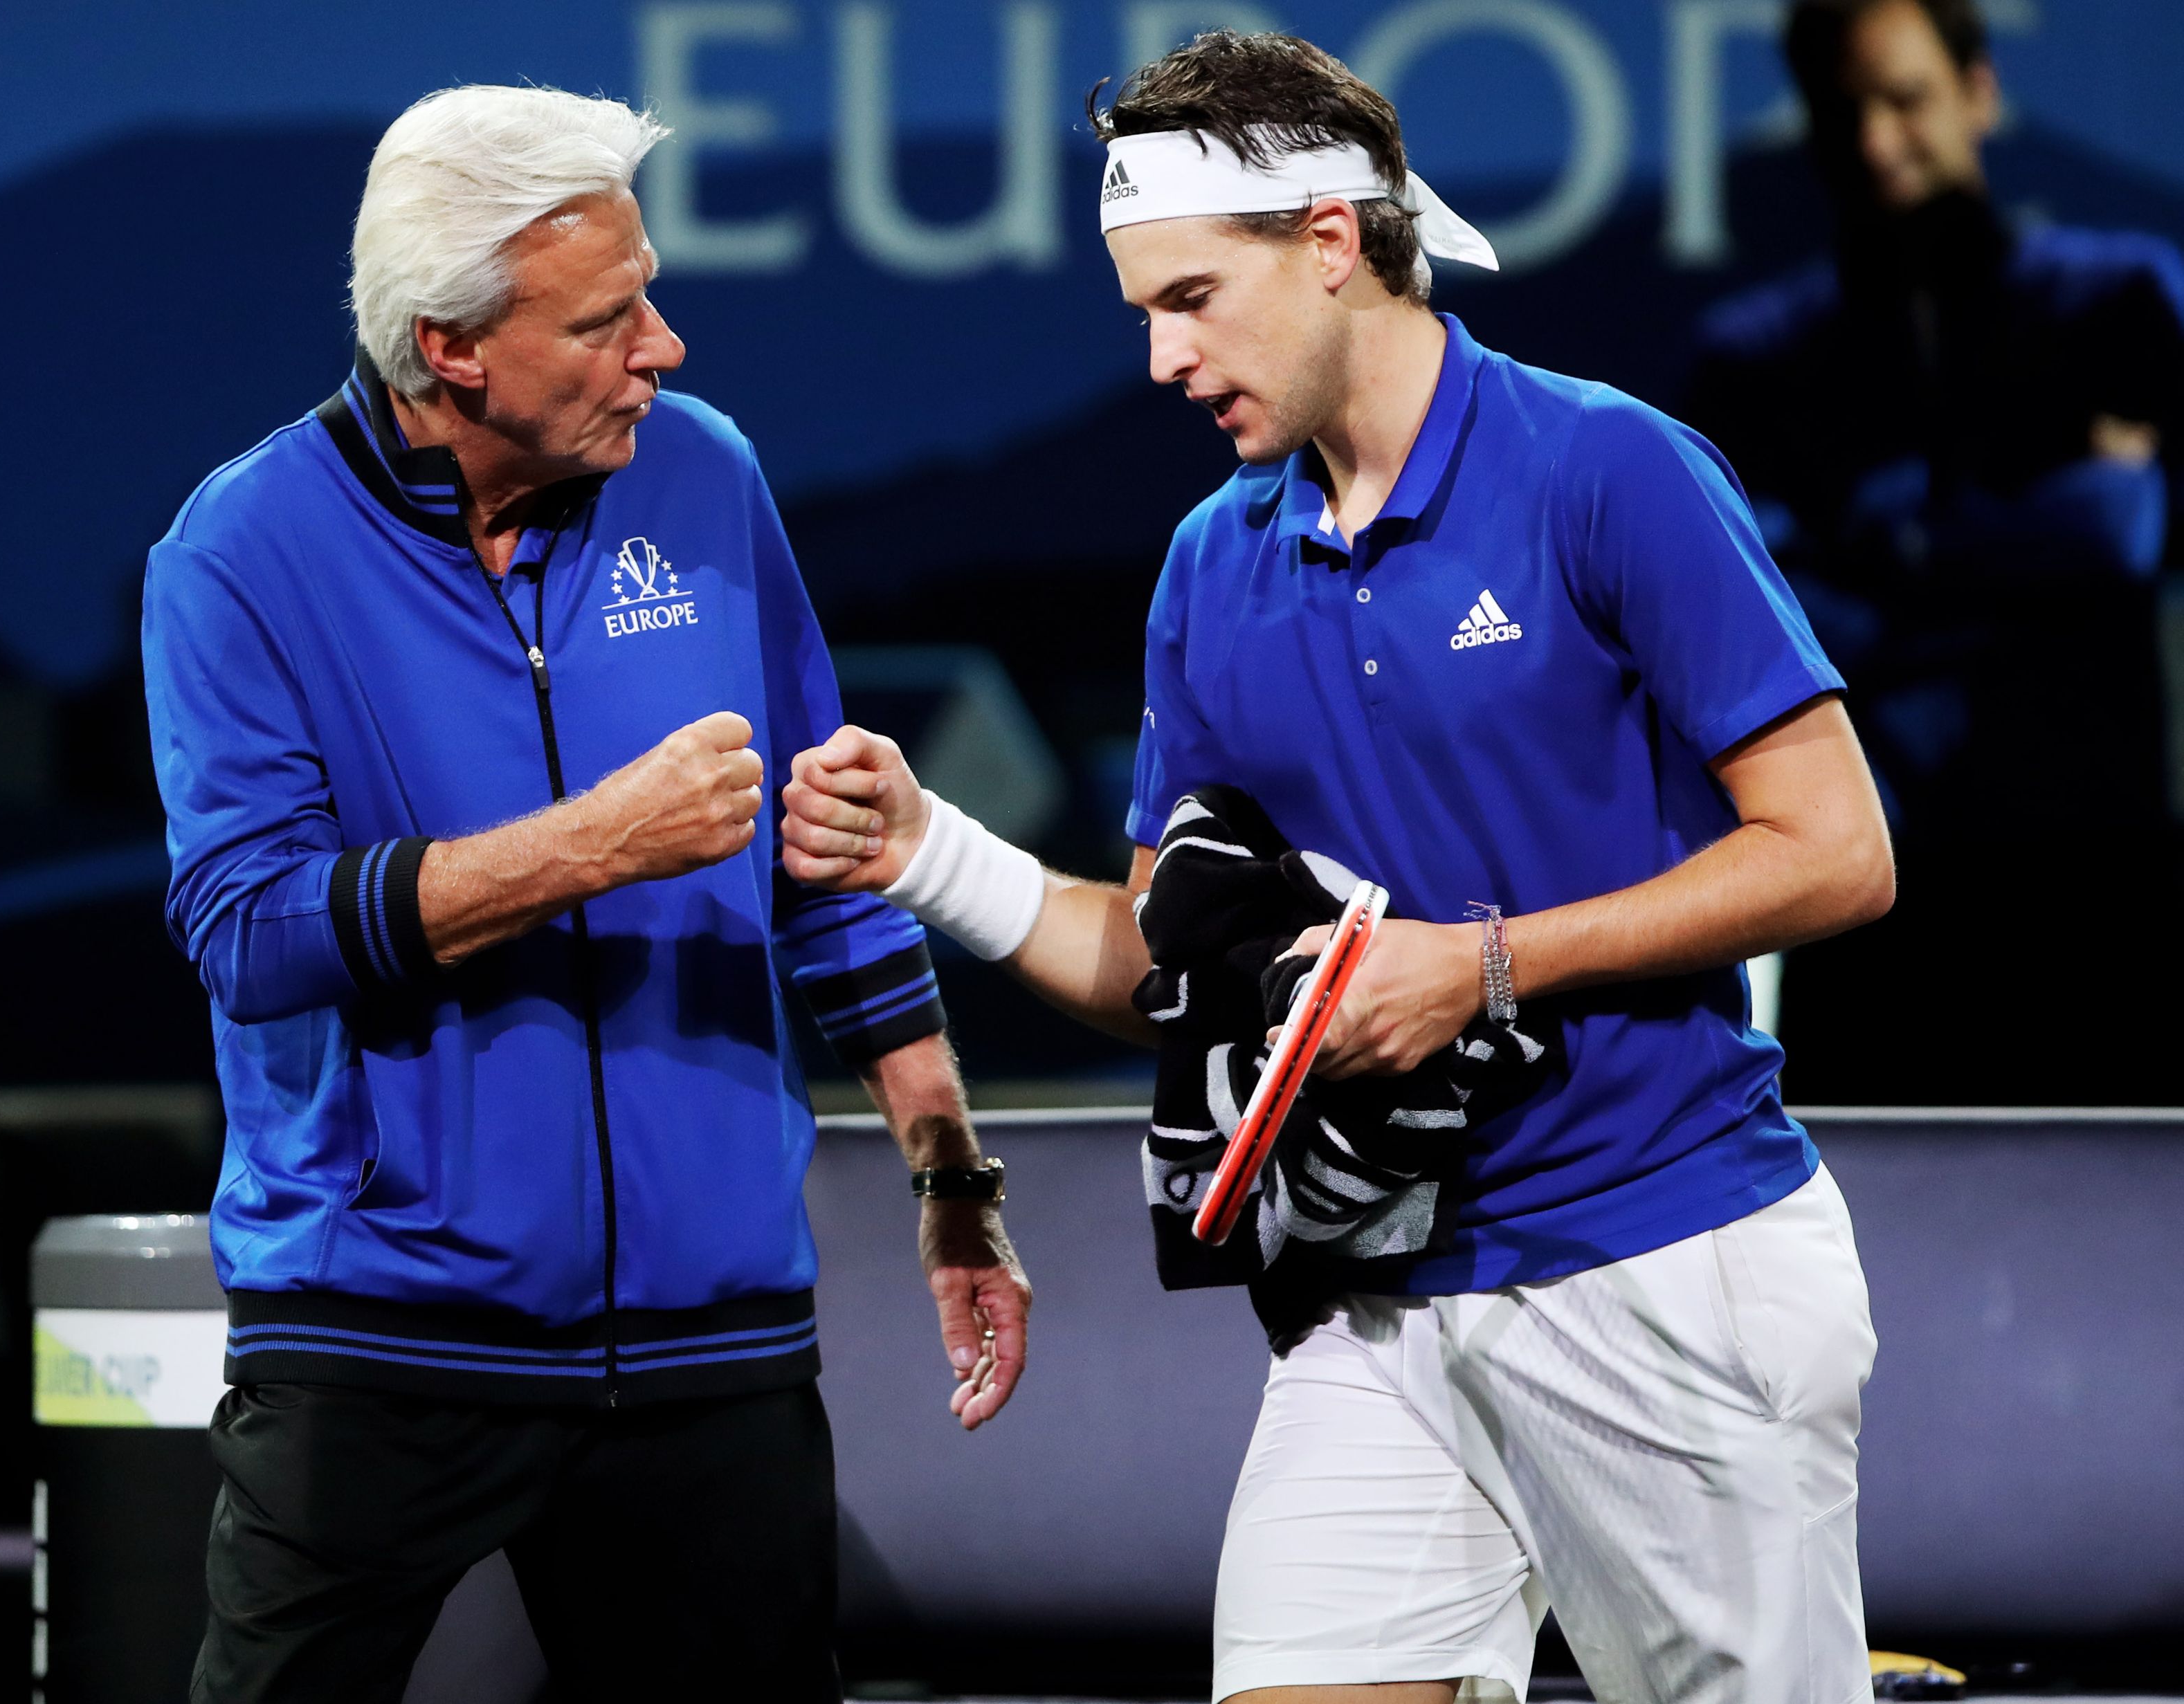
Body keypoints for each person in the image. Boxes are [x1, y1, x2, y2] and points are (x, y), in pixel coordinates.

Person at [783, 32, 1894, 1703]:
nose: (1159, 358)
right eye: (1139, 312)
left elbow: (1836, 854)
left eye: (1187, 299)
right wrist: (927, 849)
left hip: (1666, 1261)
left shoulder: (1608, 470)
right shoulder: (1204, 567)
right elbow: (1171, 969)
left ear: (1326, 242)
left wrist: (1482, 961)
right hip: (1372, 1305)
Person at [141, 85, 1030, 1704]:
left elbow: (825, 854)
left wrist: (947, 1171)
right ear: (454, 347)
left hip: (712, 1344)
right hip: (374, 1334)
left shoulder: (703, 477)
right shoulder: (240, 549)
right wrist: (596, 842)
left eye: (651, 293)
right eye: (609, 317)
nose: (665, 348)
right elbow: (249, 931)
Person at [1684, 0, 2184, 1102]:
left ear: (1980, 90)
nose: (1875, 142)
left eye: (1904, 98)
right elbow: (1773, 612)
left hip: (2100, 866)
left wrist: (1882, 539)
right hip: (1879, 882)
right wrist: (2054, 521)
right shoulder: (1753, 360)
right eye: (1841, 111)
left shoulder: (2122, 303)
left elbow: (2133, 534)